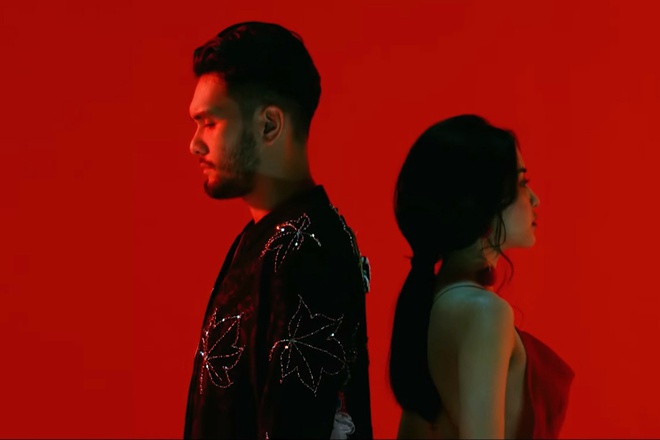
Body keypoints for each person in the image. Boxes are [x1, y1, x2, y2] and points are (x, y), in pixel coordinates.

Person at [182, 22, 373, 439]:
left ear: (269, 125)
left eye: (210, 122)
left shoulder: (306, 249)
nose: (194, 143)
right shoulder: (264, 240)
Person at [388, 115, 574, 439]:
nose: (534, 199)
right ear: (484, 205)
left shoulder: (429, 301)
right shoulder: (483, 312)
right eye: (522, 183)